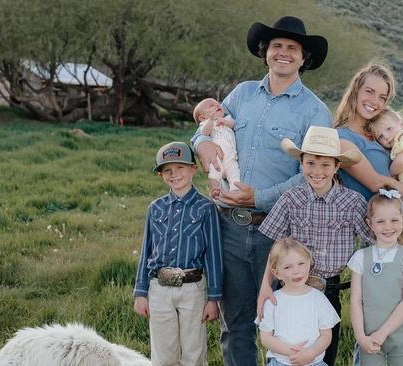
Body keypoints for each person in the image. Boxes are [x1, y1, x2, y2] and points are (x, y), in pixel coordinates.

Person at [190, 16, 331, 366]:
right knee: (235, 321)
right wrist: (202, 145)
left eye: (292, 48)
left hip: (280, 231)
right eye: (277, 46)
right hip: (228, 225)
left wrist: (258, 197)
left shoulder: (315, 111)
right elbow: (208, 129)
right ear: (265, 51)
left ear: (304, 59)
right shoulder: (242, 94)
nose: (283, 53)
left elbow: (313, 175)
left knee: (287, 320)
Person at [333, 63, 403, 366]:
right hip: (379, 236)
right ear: (355, 90)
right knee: (374, 316)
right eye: (369, 92)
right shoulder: (342, 138)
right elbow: (378, 184)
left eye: (383, 97)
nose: (375, 101)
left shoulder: (381, 134)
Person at [257, 125, 370, 366]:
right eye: (310, 163)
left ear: (337, 166)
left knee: (323, 353)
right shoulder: (291, 198)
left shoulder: (353, 202)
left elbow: (372, 244)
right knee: (286, 349)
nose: (317, 171)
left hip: (328, 290)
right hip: (288, 288)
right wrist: (266, 285)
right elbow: (277, 244)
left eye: (325, 165)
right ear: (301, 163)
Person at [133, 141, 223, 366]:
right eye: (167, 170)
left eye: (180, 168)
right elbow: (146, 252)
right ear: (161, 175)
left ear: (193, 169)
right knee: (163, 355)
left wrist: (214, 298)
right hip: (159, 289)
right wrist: (141, 292)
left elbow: (214, 255)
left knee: (193, 352)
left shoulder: (206, 208)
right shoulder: (155, 208)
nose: (174, 175)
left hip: (192, 289)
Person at [348, 188, 403, 366]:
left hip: (401, 339)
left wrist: (383, 333)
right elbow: (355, 300)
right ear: (369, 223)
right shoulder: (361, 257)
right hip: (369, 338)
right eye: (380, 221)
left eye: (394, 220)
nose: (388, 227)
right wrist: (360, 337)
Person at [257, 238, 340, 366]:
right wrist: (292, 353)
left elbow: (326, 335)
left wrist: (310, 353)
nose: (296, 271)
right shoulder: (273, 301)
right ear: (276, 273)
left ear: (309, 263)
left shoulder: (319, 298)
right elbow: (266, 338)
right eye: (287, 267)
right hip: (281, 362)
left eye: (301, 263)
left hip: (314, 362)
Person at [192, 97, 240, 196]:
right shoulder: (206, 123)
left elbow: (235, 125)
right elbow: (205, 133)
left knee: (234, 174)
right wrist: (211, 119)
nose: (217, 105)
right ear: (202, 118)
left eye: (218, 103)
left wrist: (226, 122)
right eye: (211, 105)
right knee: (215, 172)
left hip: (232, 157)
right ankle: (215, 188)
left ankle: (234, 191)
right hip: (218, 156)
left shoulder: (227, 118)